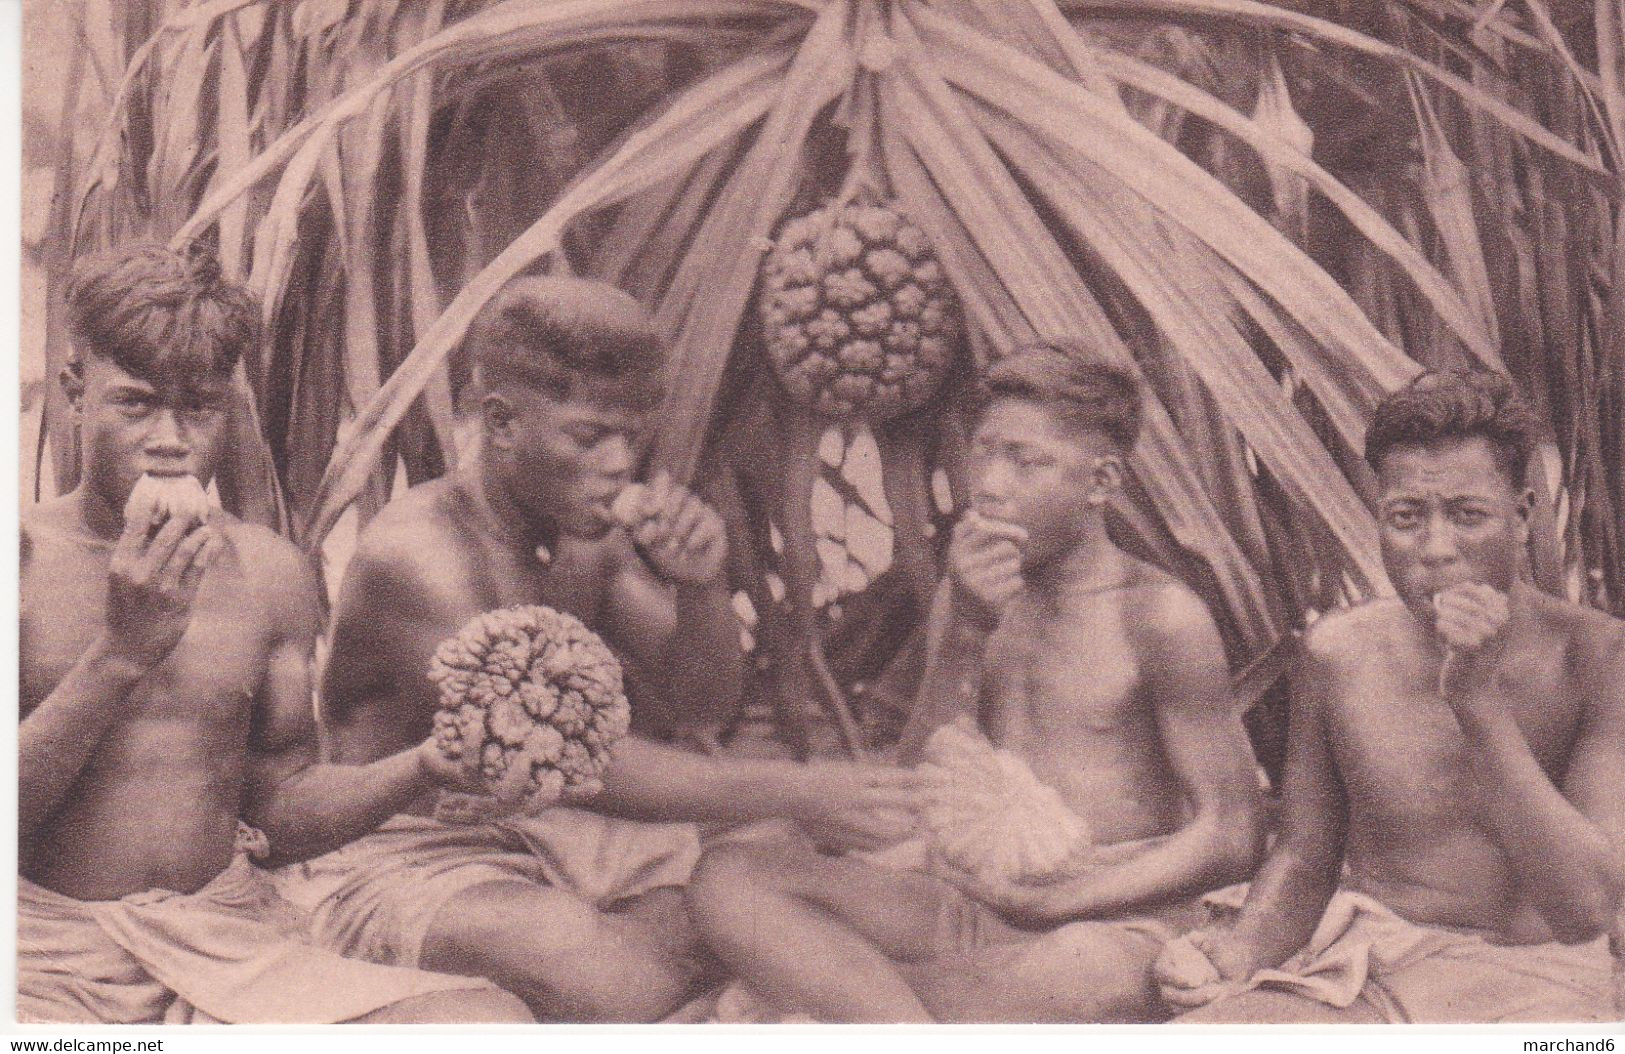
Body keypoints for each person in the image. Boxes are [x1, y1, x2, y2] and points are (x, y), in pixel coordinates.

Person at [283, 274, 921, 1023]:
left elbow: (703, 703)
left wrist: (701, 588)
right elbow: (579, 764)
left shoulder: (579, 536)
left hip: (548, 836)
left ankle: (676, 972)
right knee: (609, 964)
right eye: (590, 436)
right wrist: (802, 788)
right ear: (501, 422)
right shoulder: (423, 556)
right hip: (403, 854)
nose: (619, 463)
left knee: (768, 862)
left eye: (631, 436)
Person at [18, 243, 532, 1025]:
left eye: (199, 408)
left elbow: (279, 810)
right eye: (136, 403)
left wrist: (426, 764)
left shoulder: (269, 574)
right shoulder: (19, 563)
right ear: (76, 392)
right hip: (42, 955)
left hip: (224, 941)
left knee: (487, 1024)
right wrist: (119, 655)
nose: (169, 439)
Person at [683, 344, 1266, 1023]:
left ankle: (855, 1005)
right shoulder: (971, 596)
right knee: (730, 876)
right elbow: (914, 789)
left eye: (1024, 460)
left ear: (1100, 482)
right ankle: (893, 1013)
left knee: (1080, 973)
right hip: (970, 903)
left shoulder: (1158, 616)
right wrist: (962, 631)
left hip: (1110, 915)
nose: (988, 482)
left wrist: (1055, 904)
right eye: (983, 451)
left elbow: (1230, 834)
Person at [1156, 369, 1625, 1024]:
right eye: (1406, 518)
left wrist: (1476, 702)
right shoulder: (1338, 654)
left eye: (1467, 516)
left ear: (1520, 517)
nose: (1435, 550)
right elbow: (1304, 857)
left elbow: (1583, 910)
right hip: (1375, 966)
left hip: (1534, 987)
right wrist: (1230, 959)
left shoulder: (1599, 658)